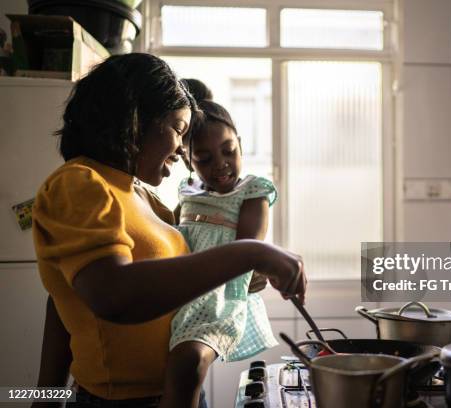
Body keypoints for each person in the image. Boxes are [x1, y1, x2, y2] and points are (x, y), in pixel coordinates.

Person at [30, 53, 306, 408]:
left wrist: (239, 274)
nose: (181, 150)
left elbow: (66, 298)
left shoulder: (144, 196)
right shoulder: (80, 182)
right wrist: (250, 253)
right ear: (135, 119)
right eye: (178, 130)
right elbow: (108, 295)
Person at [159, 99, 278, 408]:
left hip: (219, 295)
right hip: (179, 291)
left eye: (229, 150)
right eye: (204, 158)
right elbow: (167, 232)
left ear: (240, 143)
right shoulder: (187, 191)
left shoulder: (254, 191)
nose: (220, 164)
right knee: (174, 369)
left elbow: (247, 252)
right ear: (188, 161)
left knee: (189, 361)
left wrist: (261, 267)